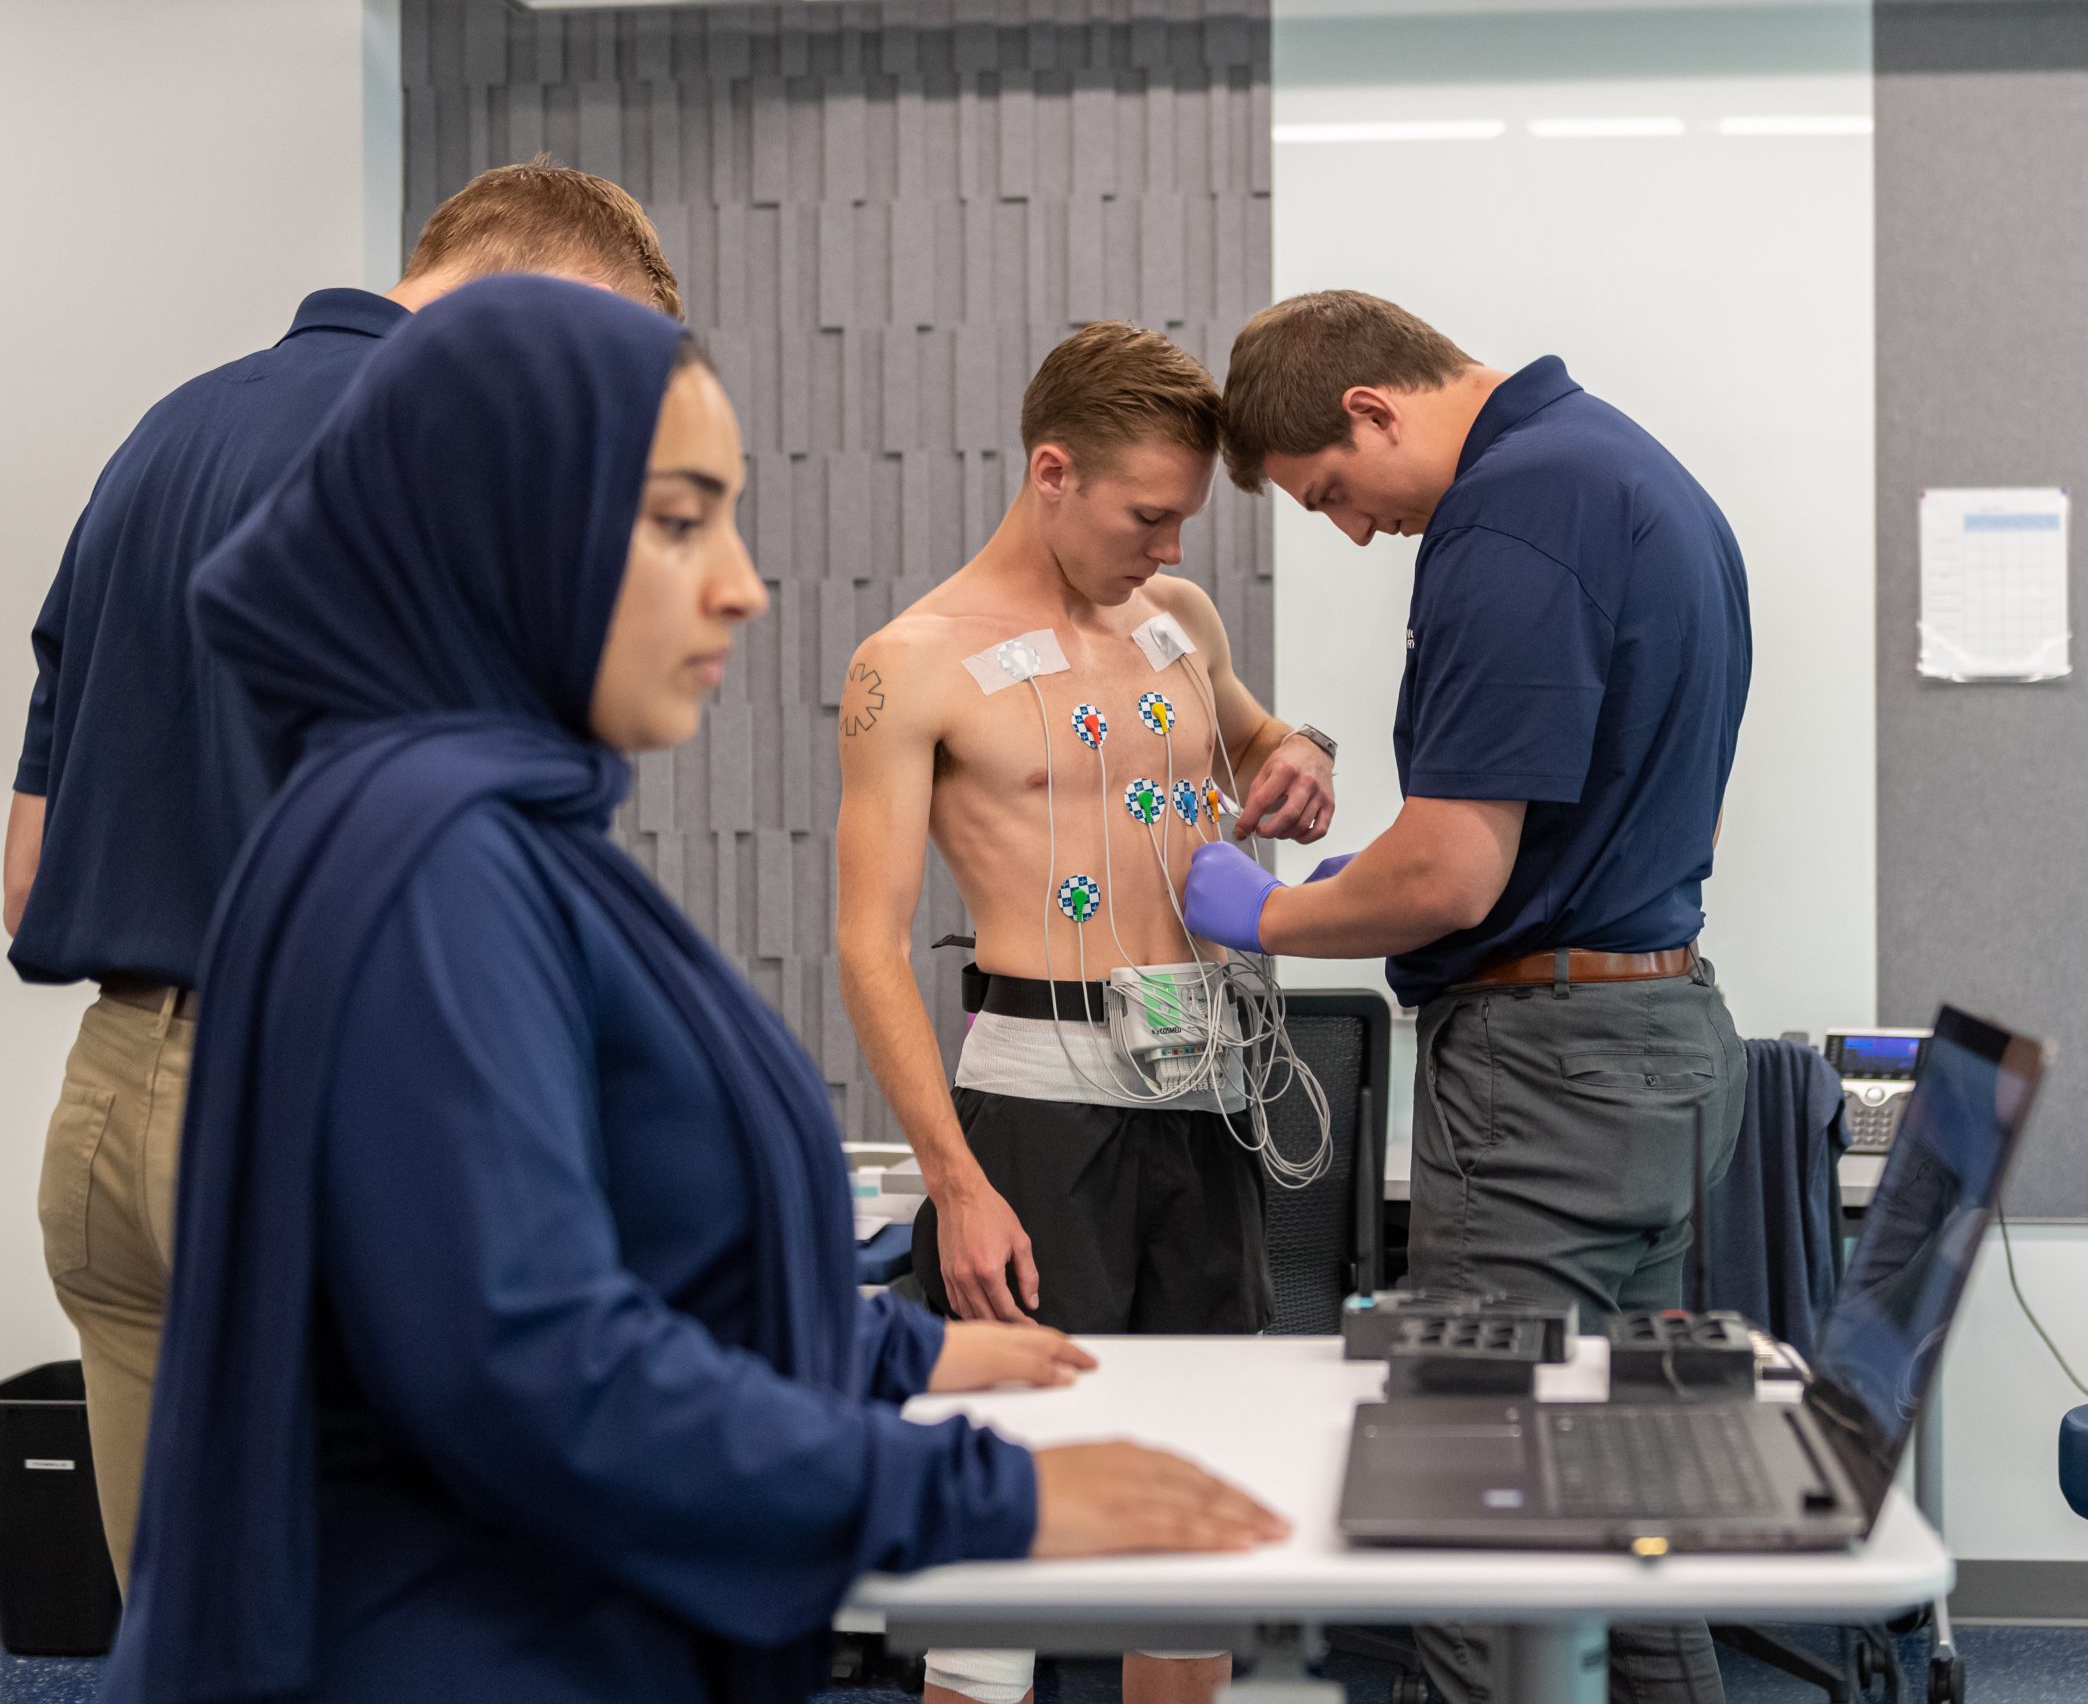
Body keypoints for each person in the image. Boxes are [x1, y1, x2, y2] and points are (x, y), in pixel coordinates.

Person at [102, 277, 1285, 1704]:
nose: (740, 583)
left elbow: (611, 1260)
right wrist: (989, 1499)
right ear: (501, 527)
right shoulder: (432, 865)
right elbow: (535, 1362)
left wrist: (896, 1348)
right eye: (678, 521)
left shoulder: (492, 829)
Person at [4, 158, 684, 1589]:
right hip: (315, 1121)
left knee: (189, 1645)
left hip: (107, 1127)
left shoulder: (163, 433)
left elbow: (28, 868)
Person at [1189, 290, 1754, 1704]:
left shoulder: (1508, 519)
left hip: (1548, 1076)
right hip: (1661, 1039)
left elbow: (1451, 874)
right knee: (1614, 1517)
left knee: (1478, 1509)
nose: (1354, 528)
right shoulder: (1628, 470)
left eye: (1332, 492)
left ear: (1372, 408)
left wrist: (1268, 911)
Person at [833, 321, 1335, 1704]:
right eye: (1147, 516)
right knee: (1004, 1526)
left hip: (1204, 1095)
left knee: (1192, 1519)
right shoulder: (912, 663)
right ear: (1052, 470)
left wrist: (1302, 759)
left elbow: (1258, 734)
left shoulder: (1177, 622)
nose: (1167, 547)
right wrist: (956, 1179)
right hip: (1036, 1109)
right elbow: (867, 943)